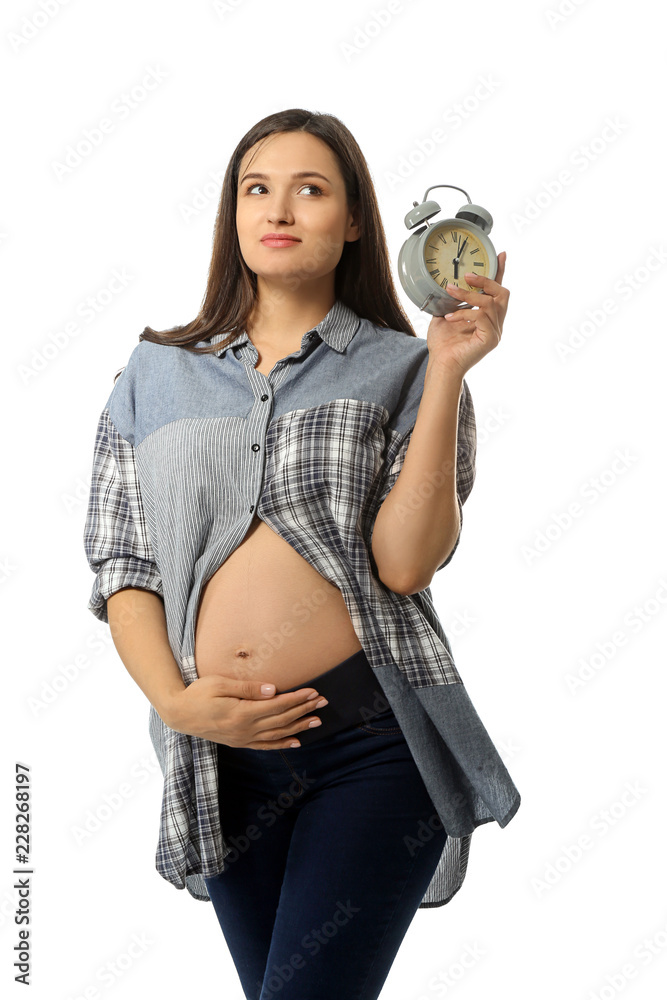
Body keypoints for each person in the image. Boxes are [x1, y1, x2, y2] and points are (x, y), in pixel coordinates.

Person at [83, 108, 520, 1000]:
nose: (278, 208)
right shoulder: (152, 374)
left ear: (352, 218)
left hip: (371, 743)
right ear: (232, 213)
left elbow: (407, 565)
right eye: (257, 188)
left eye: (309, 189)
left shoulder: (403, 368)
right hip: (217, 755)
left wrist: (444, 376)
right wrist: (179, 703)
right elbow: (123, 566)